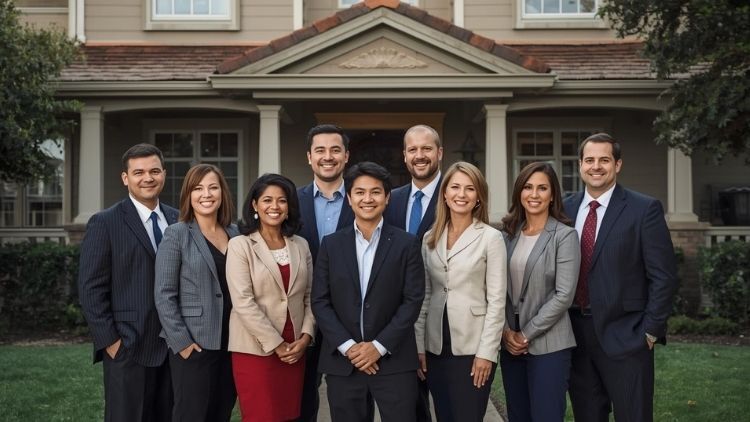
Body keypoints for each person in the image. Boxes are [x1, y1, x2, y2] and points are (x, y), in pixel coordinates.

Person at [563, 133, 679, 422]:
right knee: (587, 415)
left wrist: (650, 330)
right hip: (575, 334)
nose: (596, 166)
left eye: (604, 160)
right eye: (589, 160)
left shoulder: (644, 209)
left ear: (618, 164)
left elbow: (664, 276)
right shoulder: (565, 209)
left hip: (627, 334)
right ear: (580, 165)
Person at [312, 162, 425, 422]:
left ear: (387, 198)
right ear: (349, 199)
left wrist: (378, 346)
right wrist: (350, 347)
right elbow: (320, 301)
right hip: (344, 364)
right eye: (360, 192)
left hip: (394, 362)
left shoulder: (407, 244)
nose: (367, 199)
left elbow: (412, 300)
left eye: (375, 192)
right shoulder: (331, 245)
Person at [78, 143, 178, 422]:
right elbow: (90, 288)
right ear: (126, 178)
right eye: (139, 172)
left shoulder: (178, 219)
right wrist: (111, 342)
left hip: (174, 347)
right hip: (128, 346)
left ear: (164, 174)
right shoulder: (105, 222)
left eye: (154, 171)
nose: (148, 177)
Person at [415, 161, 506, 422]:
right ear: (444, 193)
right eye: (455, 187)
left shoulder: (491, 237)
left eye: (469, 188)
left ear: (478, 196)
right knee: (443, 415)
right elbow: (425, 296)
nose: (461, 194)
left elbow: (497, 301)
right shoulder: (430, 237)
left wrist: (487, 354)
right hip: (436, 347)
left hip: (472, 347)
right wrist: (419, 346)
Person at [226, 173, 315, 421]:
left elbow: (310, 296)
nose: (274, 207)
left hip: (295, 349)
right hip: (256, 350)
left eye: (282, 200)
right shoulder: (240, 245)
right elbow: (243, 302)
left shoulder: (301, 245)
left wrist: (306, 337)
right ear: (255, 205)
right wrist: (276, 345)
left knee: (289, 415)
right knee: (261, 415)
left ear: (289, 207)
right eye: (267, 200)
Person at [154, 164, 239, 422]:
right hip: (195, 343)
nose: (206, 194)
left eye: (213, 187)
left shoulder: (235, 233)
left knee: (221, 411)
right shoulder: (177, 234)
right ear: (188, 195)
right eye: (198, 188)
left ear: (222, 193)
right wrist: (182, 343)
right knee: (191, 414)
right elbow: (164, 293)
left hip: (232, 342)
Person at [499, 162, 580, 422]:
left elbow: (564, 295)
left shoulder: (565, 236)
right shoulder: (507, 235)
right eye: (528, 187)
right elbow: (496, 289)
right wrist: (506, 333)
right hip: (510, 347)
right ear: (519, 193)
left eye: (542, 188)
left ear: (553, 194)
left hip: (550, 347)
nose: (534, 194)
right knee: (518, 416)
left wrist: (525, 334)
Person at [383, 124, 442, 422]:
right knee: (410, 408)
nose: (420, 155)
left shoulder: (456, 194)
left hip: (444, 321)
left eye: (427, 148)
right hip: (400, 320)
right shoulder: (391, 200)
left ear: (439, 153)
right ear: (405, 156)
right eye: (413, 150)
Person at [296, 124, 355, 421]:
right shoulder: (290, 202)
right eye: (320, 150)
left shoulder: (363, 201)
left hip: (350, 321)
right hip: (298, 319)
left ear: (346, 156)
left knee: (350, 406)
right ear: (309, 157)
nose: (327, 156)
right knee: (301, 404)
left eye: (335, 150)